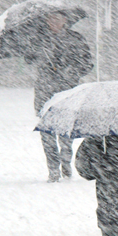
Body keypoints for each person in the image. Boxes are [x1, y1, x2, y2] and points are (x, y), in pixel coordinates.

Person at [25, 11, 93, 182]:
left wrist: (70, 70)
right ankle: (53, 169)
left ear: (65, 20)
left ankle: (66, 164)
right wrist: (39, 54)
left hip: (66, 90)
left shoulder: (75, 38)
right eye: (50, 18)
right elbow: (28, 59)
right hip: (45, 90)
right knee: (47, 131)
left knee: (65, 131)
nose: (54, 22)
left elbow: (87, 63)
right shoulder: (38, 39)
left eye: (58, 18)